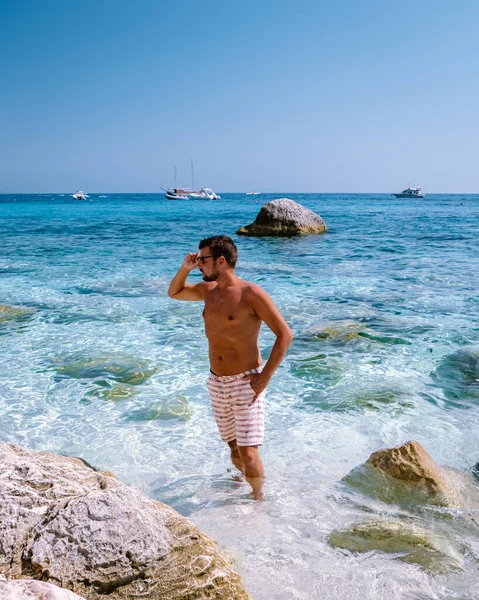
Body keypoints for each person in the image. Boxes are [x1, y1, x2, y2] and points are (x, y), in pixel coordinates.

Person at [168, 235, 292, 499]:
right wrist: (185, 268)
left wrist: (265, 378)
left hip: (247, 382)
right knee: (234, 447)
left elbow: (285, 335)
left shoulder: (251, 294)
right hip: (217, 382)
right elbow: (174, 292)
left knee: (249, 451)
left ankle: (258, 500)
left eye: (202, 260)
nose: (199, 264)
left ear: (221, 261)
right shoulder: (206, 291)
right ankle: (239, 487)